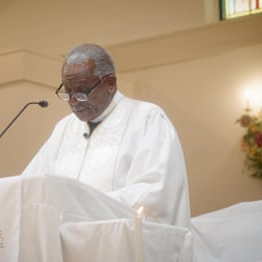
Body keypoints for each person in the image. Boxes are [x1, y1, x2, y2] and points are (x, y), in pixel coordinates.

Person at [21, 43, 191, 228]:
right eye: (68, 91)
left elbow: (155, 193)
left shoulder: (147, 119)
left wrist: (80, 205)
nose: (73, 101)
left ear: (110, 84)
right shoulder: (65, 128)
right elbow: (31, 186)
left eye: (83, 90)